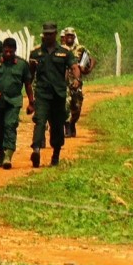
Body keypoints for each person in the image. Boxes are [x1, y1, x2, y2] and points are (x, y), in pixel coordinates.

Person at [28, 22, 81, 167]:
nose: (48, 36)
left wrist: (76, 79)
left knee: (57, 126)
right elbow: (30, 74)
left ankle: (56, 154)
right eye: (46, 33)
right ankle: (36, 150)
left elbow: (74, 67)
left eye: (51, 33)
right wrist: (30, 98)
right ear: (43, 34)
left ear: (56, 34)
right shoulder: (36, 53)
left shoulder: (64, 52)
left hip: (58, 95)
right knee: (39, 121)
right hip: (42, 94)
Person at [0, 38, 35, 170]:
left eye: (11, 52)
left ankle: (8, 156)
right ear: (3, 50)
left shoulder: (22, 65)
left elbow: (28, 85)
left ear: (15, 50)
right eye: (6, 51)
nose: (8, 54)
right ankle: (0, 153)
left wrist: (31, 102)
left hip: (13, 101)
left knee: (10, 126)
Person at [60, 27, 96, 137]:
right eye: (68, 36)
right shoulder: (59, 49)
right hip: (63, 82)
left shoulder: (80, 49)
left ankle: (72, 123)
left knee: (77, 106)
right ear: (64, 37)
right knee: (64, 105)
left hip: (76, 82)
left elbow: (91, 60)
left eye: (72, 36)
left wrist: (88, 69)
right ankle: (66, 126)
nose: (70, 38)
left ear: (74, 37)